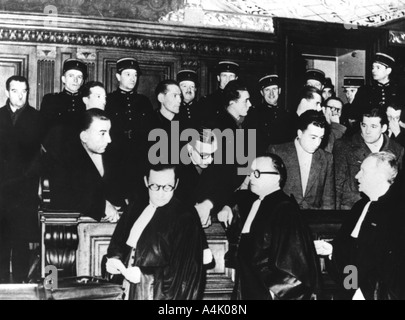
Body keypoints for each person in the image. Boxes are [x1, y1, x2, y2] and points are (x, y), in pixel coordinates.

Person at [218, 154, 321, 300]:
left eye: (257, 173)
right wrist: (228, 207)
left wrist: (272, 292)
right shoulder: (257, 203)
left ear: (276, 177)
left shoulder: (285, 208)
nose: (251, 178)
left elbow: (293, 267)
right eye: (250, 172)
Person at [106, 164, 205, 300]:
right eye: (155, 186)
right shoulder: (135, 207)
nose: (160, 193)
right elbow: (117, 244)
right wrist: (114, 260)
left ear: (176, 184)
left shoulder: (186, 217)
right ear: (146, 181)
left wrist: (144, 275)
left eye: (167, 187)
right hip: (125, 291)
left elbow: (184, 274)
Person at [315, 152, 405, 300]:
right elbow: (351, 257)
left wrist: (365, 292)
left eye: (363, 171)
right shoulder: (359, 207)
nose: (357, 176)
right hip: (353, 290)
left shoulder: (399, 211)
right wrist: (332, 250)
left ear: (379, 176)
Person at [45, 109, 126, 222]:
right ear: (84, 137)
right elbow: (63, 197)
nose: (109, 140)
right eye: (102, 133)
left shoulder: (114, 156)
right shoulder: (63, 159)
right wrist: (102, 205)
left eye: (109, 132)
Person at [0, 76, 43, 283]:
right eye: (15, 91)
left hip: (24, 192)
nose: (20, 95)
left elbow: (40, 156)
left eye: (24, 91)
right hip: (0, 190)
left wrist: (27, 178)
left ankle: (19, 288)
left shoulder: (37, 118)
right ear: (7, 92)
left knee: (20, 244)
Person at [334, 108, 404, 210]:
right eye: (364, 125)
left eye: (373, 126)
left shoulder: (397, 150)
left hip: (384, 211)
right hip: (350, 208)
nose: (367, 131)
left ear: (383, 128)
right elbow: (337, 185)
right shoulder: (344, 146)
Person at [105, 57, 156, 198]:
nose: (133, 78)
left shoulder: (144, 101)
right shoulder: (108, 100)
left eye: (135, 75)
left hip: (139, 161)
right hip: (115, 161)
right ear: (118, 77)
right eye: (128, 74)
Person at [269, 110, 335, 210]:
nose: (317, 143)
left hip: (313, 221)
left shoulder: (326, 158)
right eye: (313, 137)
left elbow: (328, 200)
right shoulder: (278, 152)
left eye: (321, 138)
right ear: (300, 133)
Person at [246, 74, 296, 146]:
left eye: (274, 89)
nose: (271, 93)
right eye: (267, 90)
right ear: (262, 92)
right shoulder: (254, 114)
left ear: (279, 90)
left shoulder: (288, 115)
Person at [352, 53, 404, 120]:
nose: (373, 70)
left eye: (378, 67)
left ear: (388, 71)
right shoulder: (364, 90)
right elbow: (354, 115)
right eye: (373, 67)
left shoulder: (400, 91)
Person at [41, 58, 87, 134]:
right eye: (71, 76)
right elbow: (43, 130)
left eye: (79, 77)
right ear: (63, 79)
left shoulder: (86, 102)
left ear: (82, 81)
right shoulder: (51, 100)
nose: (75, 80)